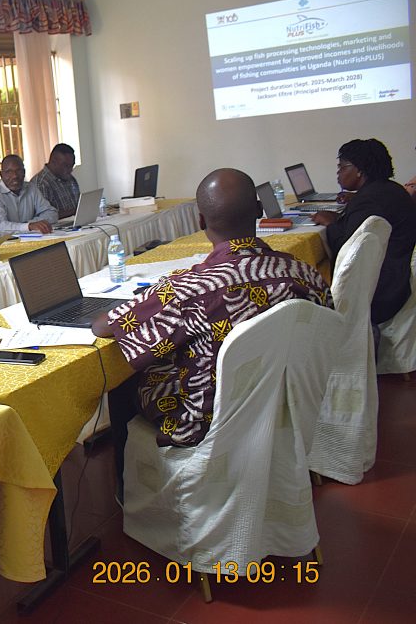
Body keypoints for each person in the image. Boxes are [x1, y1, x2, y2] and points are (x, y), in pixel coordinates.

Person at [91, 169, 331, 500]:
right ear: (260, 210)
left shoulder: (186, 290)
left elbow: (106, 327)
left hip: (205, 422)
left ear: (201, 220)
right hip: (288, 407)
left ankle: (129, 494)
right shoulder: (304, 273)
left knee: (125, 377)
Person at [311, 139, 416, 325]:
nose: (338, 172)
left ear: (359, 170)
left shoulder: (368, 202)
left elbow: (347, 250)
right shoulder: (391, 189)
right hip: (397, 280)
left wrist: (331, 224)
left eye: (342, 167)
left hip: (380, 293)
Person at [0, 154, 58, 238]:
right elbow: (0, 227)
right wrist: (29, 226)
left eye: (19, 171)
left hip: (28, 240)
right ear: (1, 175)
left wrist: (31, 224)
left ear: (24, 172)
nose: (15, 176)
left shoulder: (31, 188)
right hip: (0, 246)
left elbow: (52, 213)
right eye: (9, 172)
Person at [29, 143, 80, 219]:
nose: (70, 169)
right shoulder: (41, 183)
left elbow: (78, 203)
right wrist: (76, 211)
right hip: (56, 228)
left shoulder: (70, 178)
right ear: (53, 162)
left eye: (72, 165)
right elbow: (45, 216)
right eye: (66, 165)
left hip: (75, 224)